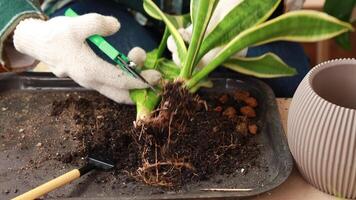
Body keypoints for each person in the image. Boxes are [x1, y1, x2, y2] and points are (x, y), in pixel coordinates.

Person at [0, 0, 307, 104]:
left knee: (299, 86)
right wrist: (24, 29)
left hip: (212, 12)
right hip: (102, 8)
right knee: (134, 91)